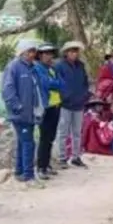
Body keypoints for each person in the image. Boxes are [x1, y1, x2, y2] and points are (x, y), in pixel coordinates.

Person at [2, 39, 45, 187]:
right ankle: (29, 176)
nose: (33, 54)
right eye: (30, 51)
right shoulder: (14, 67)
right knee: (29, 143)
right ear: (22, 52)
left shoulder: (33, 68)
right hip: (20, 114)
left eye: (34, 51)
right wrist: (18, 106)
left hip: (31, 113)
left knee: (22, 142)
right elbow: (7, 90)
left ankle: (19, 172)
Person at [55, 41, 88, 168]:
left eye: (76, 51)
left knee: (77, 132)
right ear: (66, 53)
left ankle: (76, 156)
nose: (74, 54)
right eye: (71, 51)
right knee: (63, 132)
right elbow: (58, 83)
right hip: (65, 104)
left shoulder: (81, 66)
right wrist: (64, 97)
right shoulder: (59, 66)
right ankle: (62, 158)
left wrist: (84, 96)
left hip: (79, 104)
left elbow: (85, 82)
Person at [33, 43, 63, 179]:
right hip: (45, 106)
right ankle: (41, 167)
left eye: (50, 53)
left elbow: (62, 83)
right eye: (45, 53)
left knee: (51, 137)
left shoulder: (52, 68)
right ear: (40, 55)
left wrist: (55, 84)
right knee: (44, 137)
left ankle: (47, 164)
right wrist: (55, 83)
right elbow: (46, 83)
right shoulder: (38, 68)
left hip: (56, 105)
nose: (48, 56)